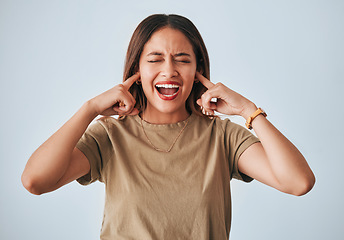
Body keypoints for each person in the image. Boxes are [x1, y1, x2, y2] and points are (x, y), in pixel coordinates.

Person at [21, 14, 315, 239]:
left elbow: (299, 182)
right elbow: (36, 181)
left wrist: (248, 110)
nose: (169, 71)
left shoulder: (223, 137)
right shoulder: (110, 135)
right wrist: (89, 110)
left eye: (182, 60)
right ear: (137, 69)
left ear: (197, 70)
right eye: (155, 59)